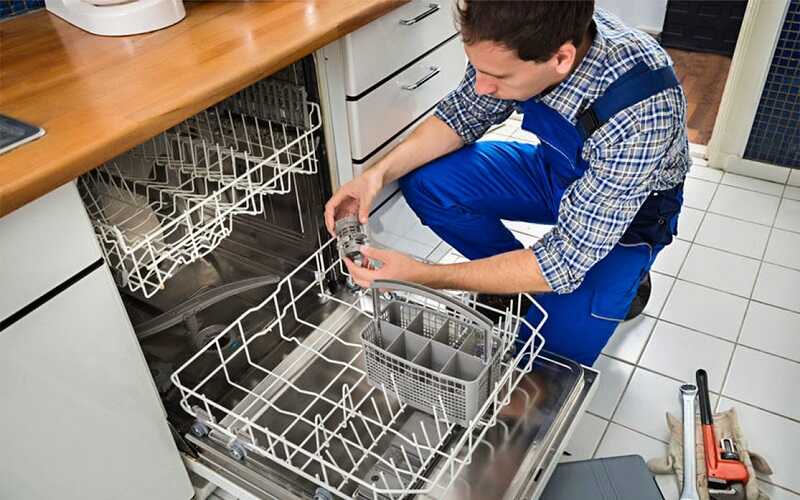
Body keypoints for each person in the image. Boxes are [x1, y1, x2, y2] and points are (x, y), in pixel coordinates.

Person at [324, 0, 690, 366]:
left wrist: (425, 276)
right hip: (557, 171)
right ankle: (514, 285)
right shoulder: (515, 35)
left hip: (630, 213)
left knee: (544, 357)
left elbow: (564, 262)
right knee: (428, 183)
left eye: (498, 77)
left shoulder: (642, 110)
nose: (481, 87)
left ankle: (627, 277)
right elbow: (460, 116)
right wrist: (375, 175)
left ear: (561, 59)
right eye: (478, 68)